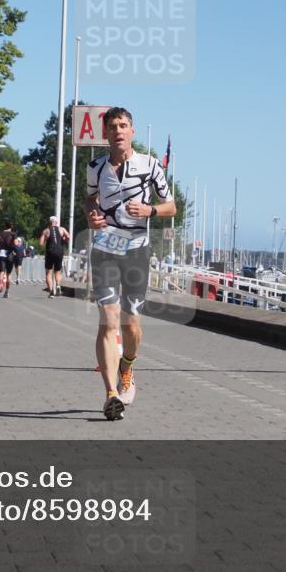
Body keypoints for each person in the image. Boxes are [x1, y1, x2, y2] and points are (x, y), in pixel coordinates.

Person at [84, 107, 174, 421]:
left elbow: (170, 206)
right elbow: (90, 199)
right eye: (112, 127)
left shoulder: (150, 166)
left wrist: (149, 212)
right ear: (105, 134)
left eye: (123, 126)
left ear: (132, 131)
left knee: (130, 324)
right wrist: (91, 215)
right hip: (106, 246)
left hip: (137, 249)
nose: (118, 131)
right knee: (108, 323)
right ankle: (110, 395)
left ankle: (128, 366)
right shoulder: (95, 167)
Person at [39, 216, 70, 298]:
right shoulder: (62, 229)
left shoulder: (46, 230)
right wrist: (63, 239)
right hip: (60, 251)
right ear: (56, 222)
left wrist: (45, 239)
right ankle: (58, 286)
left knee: (48, 272)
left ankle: (52, 292)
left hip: (50, 252)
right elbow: (68, 237)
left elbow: (41, 243)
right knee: (58, 271)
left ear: (49, 222)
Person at [0, 222, 17, 298]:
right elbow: (16, 243)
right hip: (10, 255)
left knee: (2, 272)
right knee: (8, 274)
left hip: (2, 253)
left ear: (4, 227)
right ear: (10, 227)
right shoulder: (13, 234)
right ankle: (6, 291)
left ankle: (0, 283)